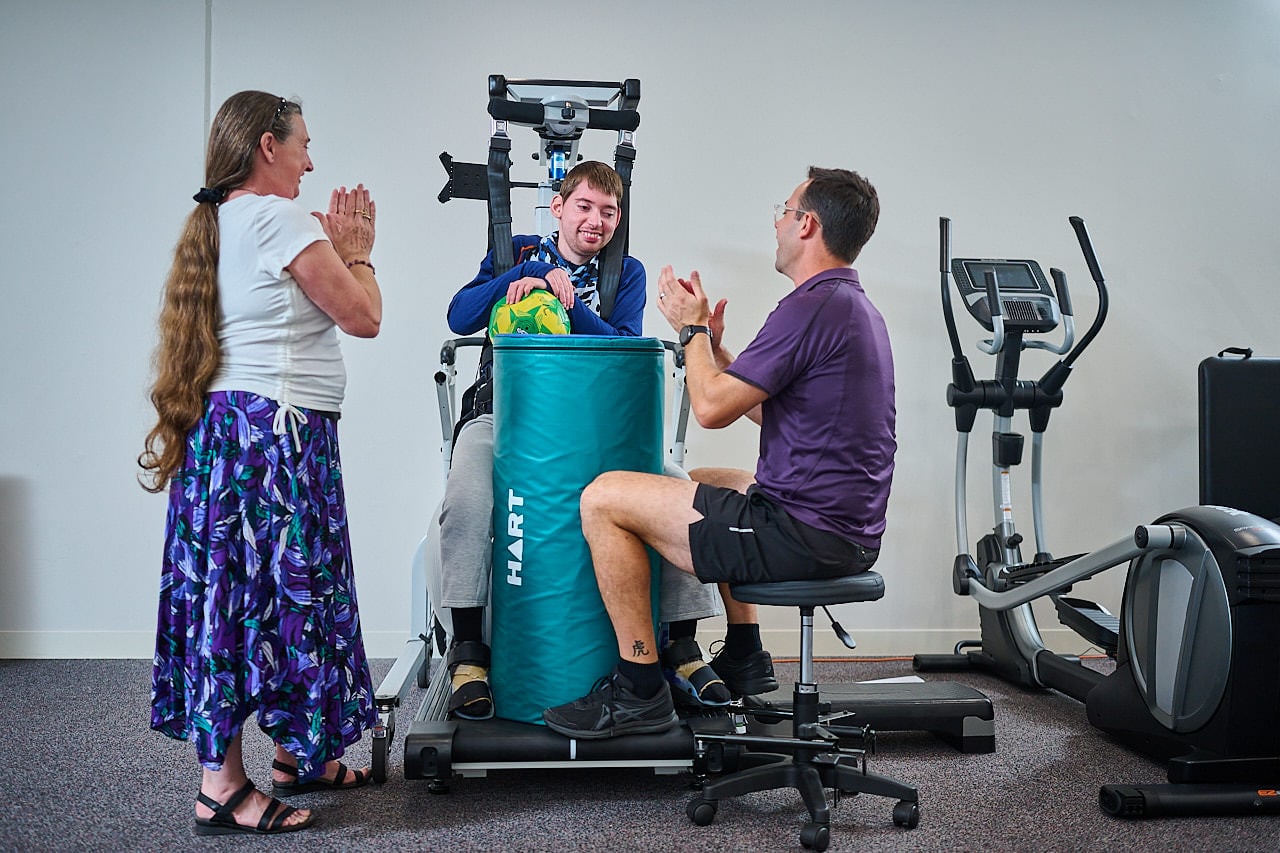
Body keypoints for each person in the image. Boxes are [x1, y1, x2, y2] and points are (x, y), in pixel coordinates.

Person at [543, 167, 894, 739]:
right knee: (706, 477)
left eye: (784, 210)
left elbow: (709, 408)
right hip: (842, 529)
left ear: (807, 225)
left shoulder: (810, 307)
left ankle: (638, 689)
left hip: (804, 535)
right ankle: (745, 653)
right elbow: (761, 407)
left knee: (605, 497)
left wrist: (692, 332)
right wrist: (718, 346)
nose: (777, 222)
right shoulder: (845, 304)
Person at [139, 90, 382, 835]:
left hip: (242, 436)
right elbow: (364, 316)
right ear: (266, 148)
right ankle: (221, 785)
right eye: (303, 144)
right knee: (265, 603)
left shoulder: (222, 220)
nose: (312, 161)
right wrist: (359, 251)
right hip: (268, 442)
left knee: (260, 596)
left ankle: (295, 755)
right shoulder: (277, 217)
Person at [439, 160, 728, 721]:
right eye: (584, 207)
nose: (596, 221)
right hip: (504, 419)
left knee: (677, 490)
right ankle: (469, 651)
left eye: (608, 211)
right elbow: (460, 314)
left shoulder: (628, 272)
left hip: (595, 427)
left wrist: (573, 306)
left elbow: (625, 343)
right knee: (467, 498)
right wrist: (513, 283)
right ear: (558, 207)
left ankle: (683, 645)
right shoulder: (516, 249)